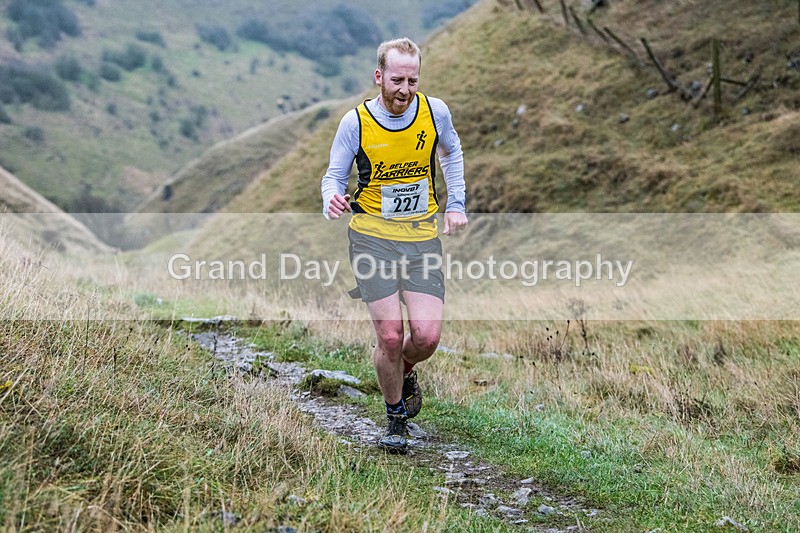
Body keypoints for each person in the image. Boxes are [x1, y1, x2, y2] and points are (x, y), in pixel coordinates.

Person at [321, 37, 468, 453]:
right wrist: (331, 198)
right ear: (379, 76)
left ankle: (402, 370)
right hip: (372, 240)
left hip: (421, 240)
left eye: (412, 81)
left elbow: (451, 154)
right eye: (397, 80)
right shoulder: (356, 122)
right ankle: (395, 418)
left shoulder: (435, 112)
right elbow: (334, 176)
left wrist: (456, 204)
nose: (405, 90)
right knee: (389, 336)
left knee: (426, 338)